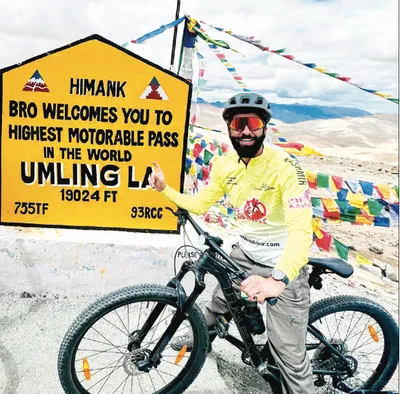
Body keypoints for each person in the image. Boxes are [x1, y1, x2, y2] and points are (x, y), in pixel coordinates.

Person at [149, 92, 315, 394]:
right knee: (219, 302)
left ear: (264, 127)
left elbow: (303, 231)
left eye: (253, 123)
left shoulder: (287, 167)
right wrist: (165, 190)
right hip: (245, 251)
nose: (246, 131)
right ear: (229, 126)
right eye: (239, 124)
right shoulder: (225, 164)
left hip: (282, 264)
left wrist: (278, 280)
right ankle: (204, 337)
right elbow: (200, 203)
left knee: (288, 356)